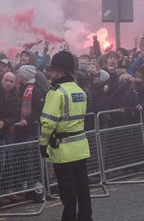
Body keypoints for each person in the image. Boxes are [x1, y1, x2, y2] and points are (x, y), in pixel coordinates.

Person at [40, 51, 92, 221]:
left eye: (52, 70)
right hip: (80, 147)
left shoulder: (56, 92)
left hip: (63, 150)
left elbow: (48, 122)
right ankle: (86, 218)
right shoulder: (79, 90)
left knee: (67, 192)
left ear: (59, 71)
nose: (50, 74)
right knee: (83, 188)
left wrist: (43, 143)